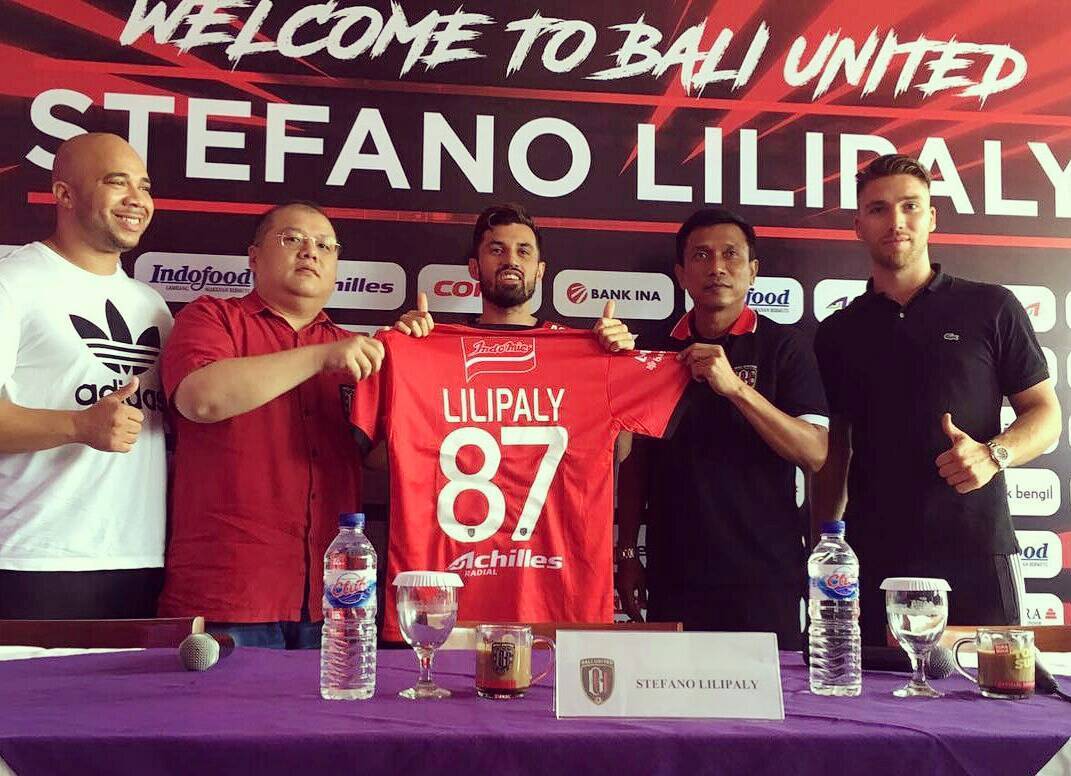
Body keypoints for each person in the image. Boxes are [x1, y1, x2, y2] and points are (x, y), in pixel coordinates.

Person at [351, 203, 690, 641]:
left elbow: (616, 453)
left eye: (523, 251)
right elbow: (381, 457)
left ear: (540, 269)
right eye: (497, 249)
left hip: (554, 600)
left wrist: (616, 365)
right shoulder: (416, 349)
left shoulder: (592, 356)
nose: (511, 259)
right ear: (474, 267)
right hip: (446, 600)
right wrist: (401, 352)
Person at [812, 154, 1061, 646]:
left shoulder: (991, 306)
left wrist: (994, 455)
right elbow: (833, 451)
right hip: (876, 555)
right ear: (858, 225)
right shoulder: (837, 332)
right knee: (874, 715)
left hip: (978, 550)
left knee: (997, 704)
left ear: (932, 217)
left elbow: (1046, 414)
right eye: (879, 209)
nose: (897, 221)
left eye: (911, 206)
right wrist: (826, 545)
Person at [157, 200, 385, 649]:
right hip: (230, 594)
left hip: (336, 601)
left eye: (324, 245)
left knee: (335, 721)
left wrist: (417, 362)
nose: (310, 252)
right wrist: (319, 358)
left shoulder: (353, 351)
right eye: (292, 239)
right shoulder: (211, 317)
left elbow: (377, 456)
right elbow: (201, 399)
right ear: (254, 256)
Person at [615, 208, 829, 649]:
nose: (716, 267)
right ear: (681, 274)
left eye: (731, 255)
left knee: (773, 715)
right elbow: (635, 463)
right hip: (676, 572)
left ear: (752, 271)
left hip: (765, 572)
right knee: (673, 712)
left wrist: (734, 388)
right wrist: (627, 553)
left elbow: (815, 452)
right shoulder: (653, 349)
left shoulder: (784, 346)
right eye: (701, 256)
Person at [0, 132, 172, 619]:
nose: (136, 199)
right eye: (116, 182)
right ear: (64, 194)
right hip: (32, 560)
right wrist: (78, 426)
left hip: (139, 558)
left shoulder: (151, 305)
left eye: (144, 185)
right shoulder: (13, 282)